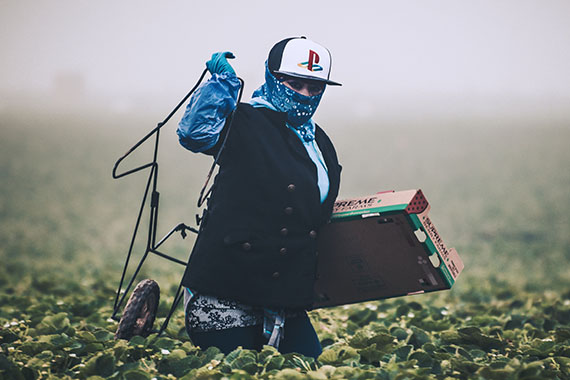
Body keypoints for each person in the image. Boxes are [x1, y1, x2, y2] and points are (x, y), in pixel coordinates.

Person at [176, 36, 342, 359]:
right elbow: (195, 133)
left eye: (315, 88)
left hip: (284, 302)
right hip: (226, 294)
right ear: (272, 77)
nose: (305, 96)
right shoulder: (245, 121)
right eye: (296, 84)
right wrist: (222, 85)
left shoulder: (320, 142)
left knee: (315, 364)